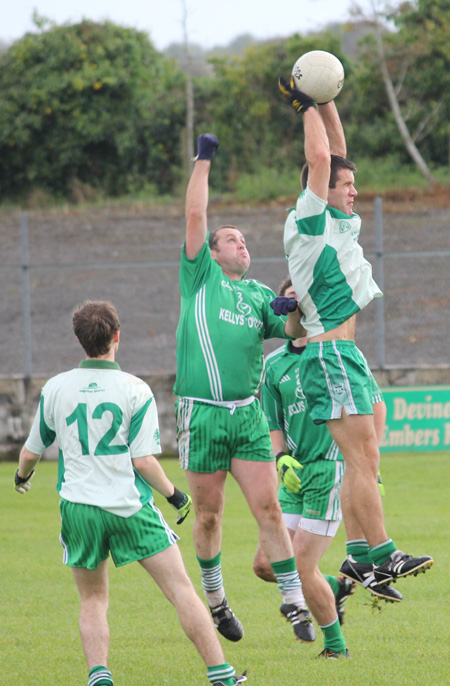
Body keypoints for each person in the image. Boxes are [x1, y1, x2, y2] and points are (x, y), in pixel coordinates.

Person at [14, 300, 247, 686]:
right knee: (181, 589)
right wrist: (175, 495)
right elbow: (144, 462)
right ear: (117, 336)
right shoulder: (135, 389)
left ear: (79, 340)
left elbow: (30, 453)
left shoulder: (55, 388)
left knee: (92, 600)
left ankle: (100, 677)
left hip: (79, 509)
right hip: (128, 507)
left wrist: (22, 478)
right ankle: (221, 675)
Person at [275, 76, 433, 590]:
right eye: (348, 186)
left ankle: (360, 556)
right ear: (322, 191)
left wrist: (326, 98)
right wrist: (302, 104)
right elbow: (321, 160)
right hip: (329, 356)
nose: (355, 191)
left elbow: (336, 153)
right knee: (362, 457)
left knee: (362, 459)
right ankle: (384, 554)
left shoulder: (339, 220)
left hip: (347, 354)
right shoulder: (309, 218)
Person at [174, 133, 308, 643]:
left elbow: (294, 336)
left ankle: (293, 600)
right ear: (210, 251)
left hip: (247, 415)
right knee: (209, 515)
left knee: (269, 509)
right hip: (202, 414)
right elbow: (194, 215)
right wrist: (204, 160)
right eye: (231, 238)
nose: (241, 244)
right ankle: (216, 599)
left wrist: (293, 313)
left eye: (245, 240)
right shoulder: (200, 275)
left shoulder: (257, 295)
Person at [253, 277, 402, 659]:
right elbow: (273, 425)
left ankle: (336, 648)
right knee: (266, 565)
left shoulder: (336, 354)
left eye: (300, 299)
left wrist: (368, 466)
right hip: (295, 475)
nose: (295, 307)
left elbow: (376, 405)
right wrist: (279, 458)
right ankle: (335, 586)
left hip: (331, 470)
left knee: (301, 566)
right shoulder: (273, 366)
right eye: (289, 300)